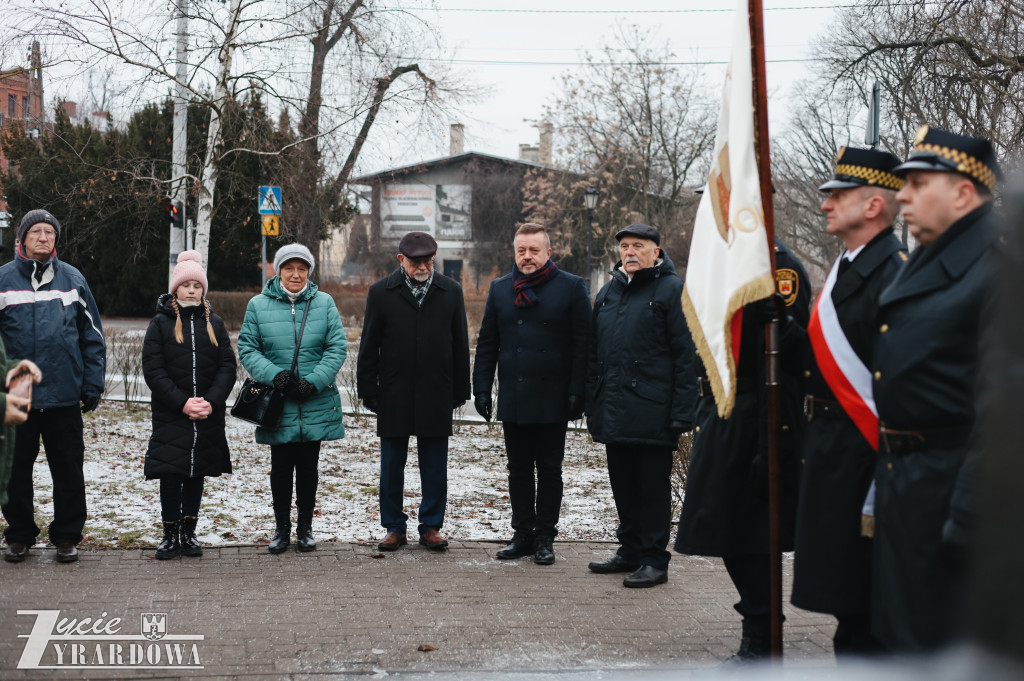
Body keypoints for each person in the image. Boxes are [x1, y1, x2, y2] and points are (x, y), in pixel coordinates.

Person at [870, 126, 1002, 652]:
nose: (902, 196)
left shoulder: (998, 272)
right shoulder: (929, 257)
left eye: (918, 183)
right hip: (909, 481)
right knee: (903, 638)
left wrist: (970, 517)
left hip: (951, 496)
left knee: (940, 646)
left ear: (964, 193)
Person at [790, 147, 907, 659]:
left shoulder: (893, 274)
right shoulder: (848, 266)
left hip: (863, 452)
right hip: (833, 449)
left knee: (865, 599)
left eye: (838, 196)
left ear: (874, 205)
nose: (825, 205)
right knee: (847, 595)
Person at [675, 237, 810, 665]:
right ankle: (760, 627)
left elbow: (792, 359)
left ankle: (762, 637)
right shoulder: (725, 262)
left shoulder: (777, 266)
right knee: (726, 530)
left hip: (756, 414)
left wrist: (774, 440)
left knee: (750, 536)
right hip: (721, 409)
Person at [472, 223, 590, 565]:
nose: (527, 256)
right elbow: (488, 343)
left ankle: (545, 537)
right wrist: (482, 388)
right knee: (518, 469)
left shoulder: (571, 287)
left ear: (548, 253)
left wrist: (577, 391)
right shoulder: (500, 289)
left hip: (554, 396)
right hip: (516, 394)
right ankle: (523, 533)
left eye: (534, 250)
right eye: (521, 250)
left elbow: (584, 345)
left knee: (550, 469)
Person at [585, 224, 695, 588]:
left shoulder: (673, 290)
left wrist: (682, 412)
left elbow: (685, 355)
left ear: (656, 252)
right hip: (614, 409)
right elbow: (594, 354)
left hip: (653, 411)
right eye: (624, 246)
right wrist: (592, 402)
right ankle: (630, 551)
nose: (629, 252)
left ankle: (654, 560)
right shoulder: (608, 292)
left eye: (638, 246)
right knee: (624, 486)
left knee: (651, 489)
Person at [0, 209, 106, 564]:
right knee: (15, 472)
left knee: (68, 470)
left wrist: (92, 383)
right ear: (22, 238)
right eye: (36, 232)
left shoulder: (73, 279)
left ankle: (67, 536)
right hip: (17, 399)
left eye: (49, 232)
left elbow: (92, 337)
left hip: (63, 395)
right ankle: (19, 536)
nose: (43, 237)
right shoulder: (3, 280)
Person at [357, 231, 471, 553]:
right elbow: (369, 344)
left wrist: (460, 389)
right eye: (415, 261)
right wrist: (368, 389)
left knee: (434, 465)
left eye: (427, 261)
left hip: (436, 391)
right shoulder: (381, 292)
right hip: (394, 391)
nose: (422, 267)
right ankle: (394, 527)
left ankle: (431, 526)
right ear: (400, 259)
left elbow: (460, 344)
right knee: (391, 466)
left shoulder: (451, 291)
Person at [237, 243, 347, 554]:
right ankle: (281, 529)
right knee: (281, 468)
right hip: (278, 402)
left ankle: (305, 528)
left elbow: (336, 347)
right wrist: (276, 376)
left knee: (309, 468)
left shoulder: (324, 303)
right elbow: (248, 348)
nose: (295, 274)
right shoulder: (258, 305)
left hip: (314, 400)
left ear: (309, 272)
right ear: (278, 271)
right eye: (289, 268)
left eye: (301, 269)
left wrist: (314, 382)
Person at [142, 251, 237, 559]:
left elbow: (227, 367)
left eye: (197, 286)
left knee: (197, 473)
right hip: (172, 415)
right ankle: (169, 534)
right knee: (171, 473)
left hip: (207, 415)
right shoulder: (160, 323)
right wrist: (182, 403)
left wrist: (211, 401)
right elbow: (154, 370)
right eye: (187, 285)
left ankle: (189, 532)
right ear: (176, 288)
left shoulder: (215, 323)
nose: (192, 290)